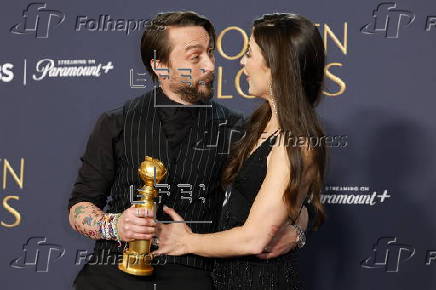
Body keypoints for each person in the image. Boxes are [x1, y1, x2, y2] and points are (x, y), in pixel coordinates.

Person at [67, 11, 311, 290]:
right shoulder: (116, 123)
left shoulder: (238, 129)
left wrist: (297, 230)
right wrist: (115, 225)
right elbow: (79, 206)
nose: (210, 66)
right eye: (195, 57)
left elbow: (297, 198)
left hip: (193, 275)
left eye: (210, 52)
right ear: (160, 66)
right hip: (112, 275)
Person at [151, 13, 327, 289]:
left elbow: (254, 238)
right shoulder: (257, 123)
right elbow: (287, 204)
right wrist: (297, 225)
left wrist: (185, 241)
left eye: (249, 53)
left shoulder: (295, 141)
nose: (242, 62)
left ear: (276, 65)